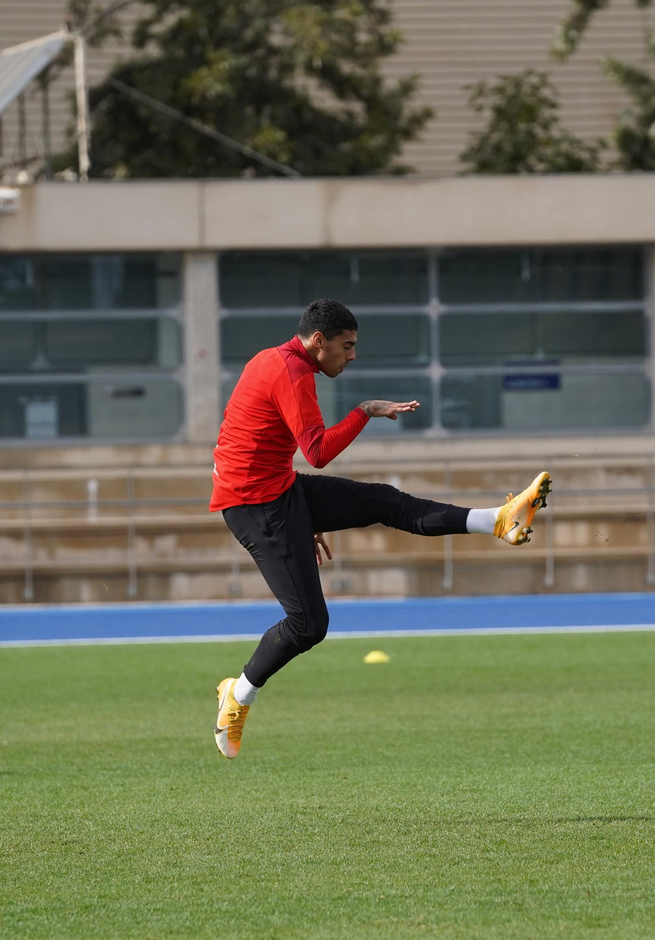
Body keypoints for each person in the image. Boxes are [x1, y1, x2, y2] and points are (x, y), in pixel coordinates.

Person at [209, 299, 551, 758]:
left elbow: (253, 441)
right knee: (309, 625)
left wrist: (303, 517)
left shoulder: (274, 360)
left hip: (277, 491)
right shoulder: (292, 373)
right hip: (257, 505)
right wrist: (363, 411)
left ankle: (497, 521)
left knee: (384, 501)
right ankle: (238, 694)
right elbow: (317, 451)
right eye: (346, 347)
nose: (352, 355)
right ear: (318, 342)